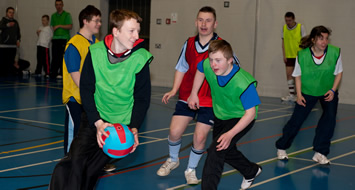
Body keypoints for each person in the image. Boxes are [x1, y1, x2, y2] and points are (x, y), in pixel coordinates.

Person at [49, 9, 153, 190]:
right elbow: (86, 89)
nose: (136, 35)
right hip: (94, 119)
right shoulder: (95, 51)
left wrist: (134, 127)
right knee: (74, 163)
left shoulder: (141, 58)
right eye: (131, 31)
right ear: (116, 31)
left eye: (138, 30)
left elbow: (142, 98)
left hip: (120, 126)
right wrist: (97, 122)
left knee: (92, 170)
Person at [156, 6, 239, 185]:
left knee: (200, 137)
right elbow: (181, 67)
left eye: (208, 20)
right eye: (201, 20)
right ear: (196, 22)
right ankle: (173, 159)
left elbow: (235, 70)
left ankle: (191, 169)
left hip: (210, 100)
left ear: (215, 24)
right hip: (187, 95)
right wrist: (173, 89)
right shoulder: (188, 43)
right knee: (174, 131)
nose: (204, 24)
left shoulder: (222, 46)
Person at [187, 40, 262, 190]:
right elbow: (201, 69)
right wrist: (194, 93)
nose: (214, 64)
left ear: (230, 60)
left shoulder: (243, 82)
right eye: (212, 59)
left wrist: (230, 134)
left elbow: (250, 113)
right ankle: (250, 170)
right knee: (226, 150)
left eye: (219, 61)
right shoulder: (209, 65)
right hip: (221, 115)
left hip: (241, 117)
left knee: (216, 151)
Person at [276, 26, 343, 165]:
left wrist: (333, 90)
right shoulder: (302, 55)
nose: (324, 42)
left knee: (329, 120)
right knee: (296, 121)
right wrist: (299, 95)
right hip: (307, 92)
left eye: (326, 38)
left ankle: (320, 152)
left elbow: (339, 72)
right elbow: (297, 76)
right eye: (320, 38)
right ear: (313, 40)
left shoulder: (335, 52)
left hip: (328, 91)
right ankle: (282, 147)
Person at [62, 5, 101, 156]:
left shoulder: (97, 44)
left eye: (100, 20)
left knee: (93, 131)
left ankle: (92, 160)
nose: (99, 23)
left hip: (92, 98)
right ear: (85, 21)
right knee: (76, 132)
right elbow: (75, 74)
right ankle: (69, 161)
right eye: (96, 20)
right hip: (76, 99)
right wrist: (89, 94)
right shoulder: (74, 44)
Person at [281, 12, 306, 102]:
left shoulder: (300, 27)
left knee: (299, 76)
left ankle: (300, 95)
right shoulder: (284, 28)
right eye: (286, 20)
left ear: (294, 19)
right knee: (289, 74)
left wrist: (303, 55)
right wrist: (284, 55)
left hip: (299, 55)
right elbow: (283, 43)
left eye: (290, 20)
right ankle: (291, 95)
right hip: (289, 55)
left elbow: (305, 41)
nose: (288, 22)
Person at [50, 0, 72, 79]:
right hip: (55, 38)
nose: (58, 6)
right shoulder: (53, 16)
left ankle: (62, 73)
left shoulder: (67, 15)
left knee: (62, 57)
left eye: (60, 4)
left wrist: (59, 26)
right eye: (57, 5)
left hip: (64, 38)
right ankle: (53, 73)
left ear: (62, 5)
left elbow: (70, 26)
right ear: (55, 6)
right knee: (55, 56)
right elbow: (52, 27)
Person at [0, 7, 21, 77]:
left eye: (12, 12)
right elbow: (0, 26)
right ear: (6, 13)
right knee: (3, 62)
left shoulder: (16, 22)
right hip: (4, 45)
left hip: (13, 45)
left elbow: (18, 33)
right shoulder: (3, 20)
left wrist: (18, 40)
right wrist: (7, 25)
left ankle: (9, 77)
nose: (11, 14)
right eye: (10, 12)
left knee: (10, 62)